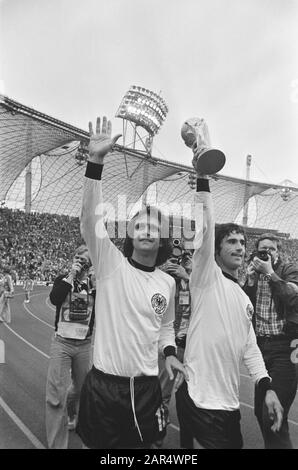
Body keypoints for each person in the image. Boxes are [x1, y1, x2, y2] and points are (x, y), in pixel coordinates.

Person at [76, 116, 188, 449]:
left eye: (154, 225)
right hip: (103, 385)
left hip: (145, 388)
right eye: (139, 224)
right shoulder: (110, 265)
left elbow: (166, 326)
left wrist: (169, 353)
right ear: (131, 234)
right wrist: (95, 163)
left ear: (162, 237)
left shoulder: (167, 283)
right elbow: (88, 220)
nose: (146, 228)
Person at [175, 152, 283, 449]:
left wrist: (267, 386)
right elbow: (205, 228)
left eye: (242, 243)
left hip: (228, 406)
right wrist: (202, 177)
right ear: (216, 250)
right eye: (232, 242)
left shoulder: (241, 296)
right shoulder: (206, 278)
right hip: (199, 400)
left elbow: (249, 347)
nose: (240, 247)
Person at [243, 233, 298, 448]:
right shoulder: (253, 275)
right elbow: (244, 308)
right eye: (262, 249)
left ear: (278, 252)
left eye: (271, 249)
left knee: (273, 414)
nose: (267, 252)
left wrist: (271, 273)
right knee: (260, 412)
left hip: (286, 348)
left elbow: (293, 297)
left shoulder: (288, 270)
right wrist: (249, 280)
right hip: (260, 349)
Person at [45, 245, 95, 449]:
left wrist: (94, 282)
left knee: (84, 391)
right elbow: (55, 299)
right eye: (79, 259)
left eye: (87, 261)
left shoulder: (95, 284)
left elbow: (105, 307)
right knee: (56, 395)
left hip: (84, 345)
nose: (82, 264)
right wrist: (71, 275)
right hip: (62, 344)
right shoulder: (62, 279)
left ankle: (76, 420)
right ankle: (57, 445)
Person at [158, 251, 192, 428]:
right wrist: (164, 272)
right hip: (169, 342)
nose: (182, 262)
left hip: (191, 345)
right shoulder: (163, 279)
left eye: (186, 258)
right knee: (162, 392)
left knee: (190, 395)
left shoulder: (196, 279)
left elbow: (206, 300)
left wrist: (187, 276)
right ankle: (158, 428)